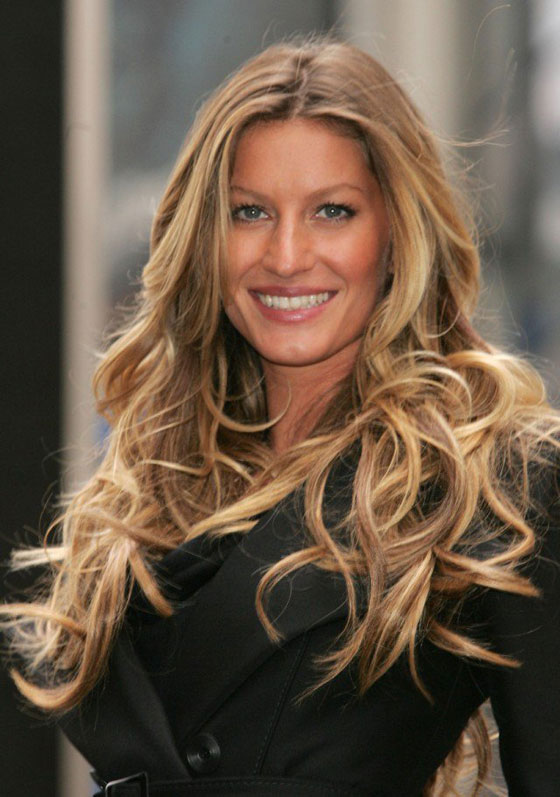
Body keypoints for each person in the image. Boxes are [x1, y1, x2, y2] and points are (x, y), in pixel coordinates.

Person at [3, 37, 560, 797]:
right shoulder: (153, 478)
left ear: (396, 234)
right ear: (207, 236)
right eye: (250, 212)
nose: (288, 255)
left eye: (332, 211)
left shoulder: (496, 481)